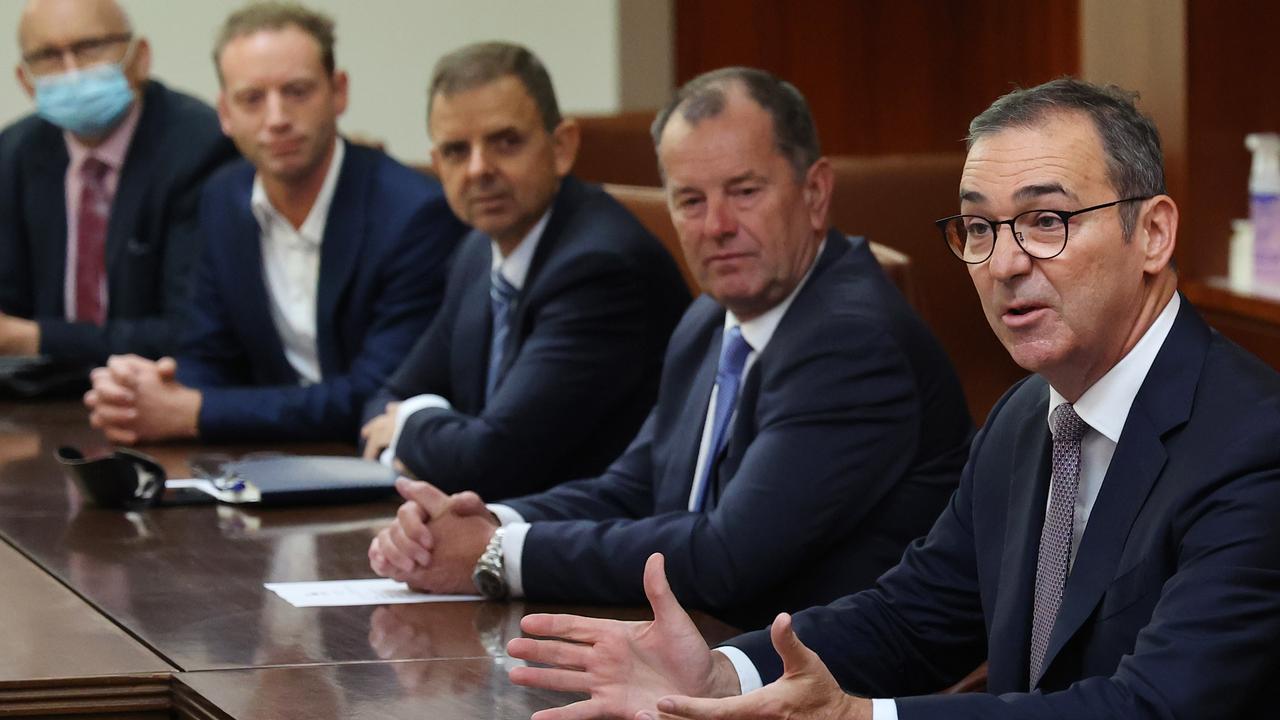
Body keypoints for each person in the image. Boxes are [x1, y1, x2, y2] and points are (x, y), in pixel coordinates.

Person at [507, 78, 1280, 720]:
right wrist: (725, 675)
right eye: (979, 227)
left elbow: (1154, 709)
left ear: (1153, 233)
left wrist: (866, 719)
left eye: (1046, 221)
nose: (1005, 262)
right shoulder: (1026, 417)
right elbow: (914, 617)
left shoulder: (1252, 443)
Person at [368, 67, 973, 630]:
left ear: (815, 192)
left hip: (818, 682)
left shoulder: (850, 341)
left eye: (744, 192)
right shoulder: (711, 317)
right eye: (690, 200)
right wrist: (489, 521)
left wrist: (499, 555)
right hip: (709, 652)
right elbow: (633, 487)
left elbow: (726, 556)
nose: (716, 226)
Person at [82, 2, 464, 443]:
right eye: (252, 99)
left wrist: (196, 411)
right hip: (261, 461)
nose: (277, 118)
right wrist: (150, 389)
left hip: (377, 466)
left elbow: (377, 392)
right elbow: (209, 352)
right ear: (225, 113)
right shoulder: (223, 198)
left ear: (338, 92)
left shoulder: (414, 215)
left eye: (297, 91)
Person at [359, 42, 689, 499]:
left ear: (562, 147)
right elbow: (384, 398)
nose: (479, 170)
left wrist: (411, 428)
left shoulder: (601, 269)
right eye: (456, 151)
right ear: (437, 165)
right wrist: (426, 427)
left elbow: (491, 461)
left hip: (607, 545)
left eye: (505, 142)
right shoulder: (477, 252)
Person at [0, 0, 235, 369]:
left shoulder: (201, 147)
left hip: (158, 387)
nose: (71, 72)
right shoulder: (13, 153)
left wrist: (34, 338)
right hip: (37, 394)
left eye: (89, 47)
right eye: (48, 56)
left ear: (139, 57)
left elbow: (188, 329)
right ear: (24, 80)